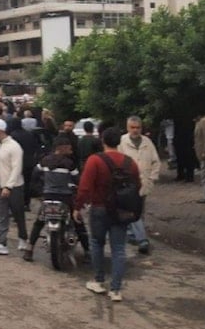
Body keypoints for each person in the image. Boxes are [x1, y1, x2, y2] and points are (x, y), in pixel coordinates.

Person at [75, 127, 141, 301]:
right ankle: (116, 290)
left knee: (97, 243)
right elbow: (137, 185)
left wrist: (77, 206)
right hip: (121, 210)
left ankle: (98, 280)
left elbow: (85, 187)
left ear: (103, 140)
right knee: (119, 248)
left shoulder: (95, 160)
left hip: (99, 208)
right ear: (119, 142)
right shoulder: (130, 162)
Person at [22, 136, 89, 261]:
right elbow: (78, 180)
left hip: (48, 196)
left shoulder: (44, 161)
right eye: (69, 147)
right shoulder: (69, 164)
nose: (71, 150)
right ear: (62, 147)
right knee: (78, 221)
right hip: (65, 198)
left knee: (39, 222)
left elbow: (35, 176)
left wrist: (40, 190)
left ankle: (29, 249)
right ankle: (87, 251)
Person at [118, 116, 161, 255]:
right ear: (127, 128)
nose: (135, 130)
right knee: (133, 210)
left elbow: (156, 161)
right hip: (128, 183)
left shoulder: (147, 142)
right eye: (132, 127)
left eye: (138, 127)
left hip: (144, 182)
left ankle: (132, 235)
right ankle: (142, 239)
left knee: (140, 210)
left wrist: (152, 178)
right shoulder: (122, 142)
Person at [0, 118, 28, 256]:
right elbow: (0, 165)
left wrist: (8, 186)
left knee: (18, 213)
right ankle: (1, 242)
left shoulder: (14, 146)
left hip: (14, 186)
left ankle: (23, 237)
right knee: (1, 215)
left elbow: (16, 168)